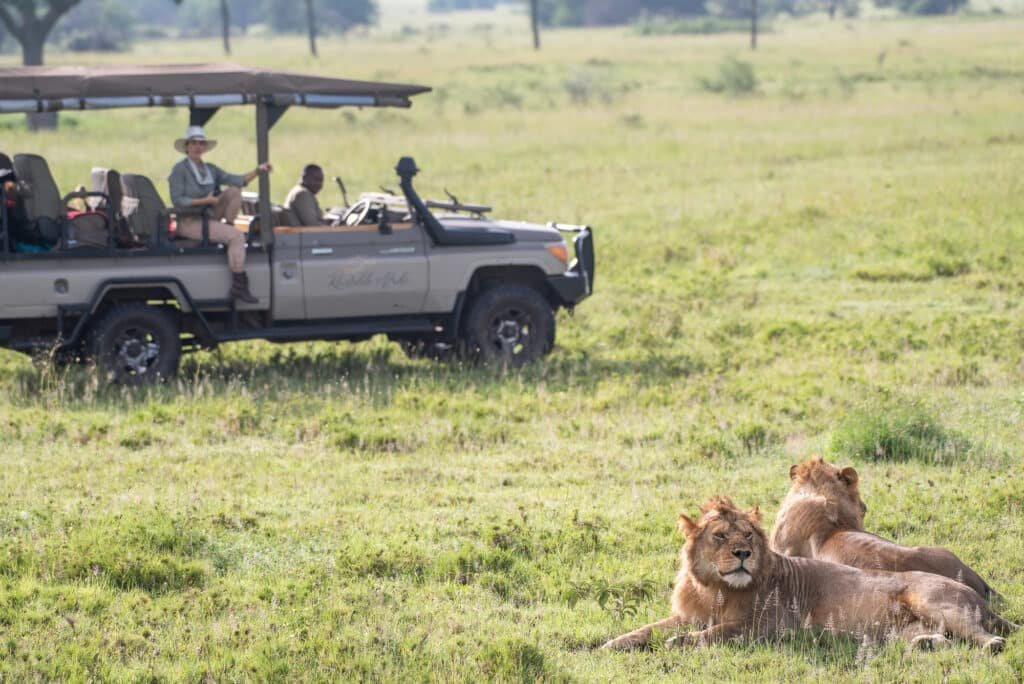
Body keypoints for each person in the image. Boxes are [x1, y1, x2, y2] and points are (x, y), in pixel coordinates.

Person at [168, 125, 272, 303]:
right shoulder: (179, 170)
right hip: (189, 221)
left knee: (234, 191)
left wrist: (258, 171)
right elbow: (178, 200)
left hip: (208, 215)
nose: (197, 147)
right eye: (194, 143)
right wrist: (205, 201)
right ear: (187, 146)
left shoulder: (210, 169)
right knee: (237, 237)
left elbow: (237, 180)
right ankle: (239, 286)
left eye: (201, 143)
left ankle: (227, 227)